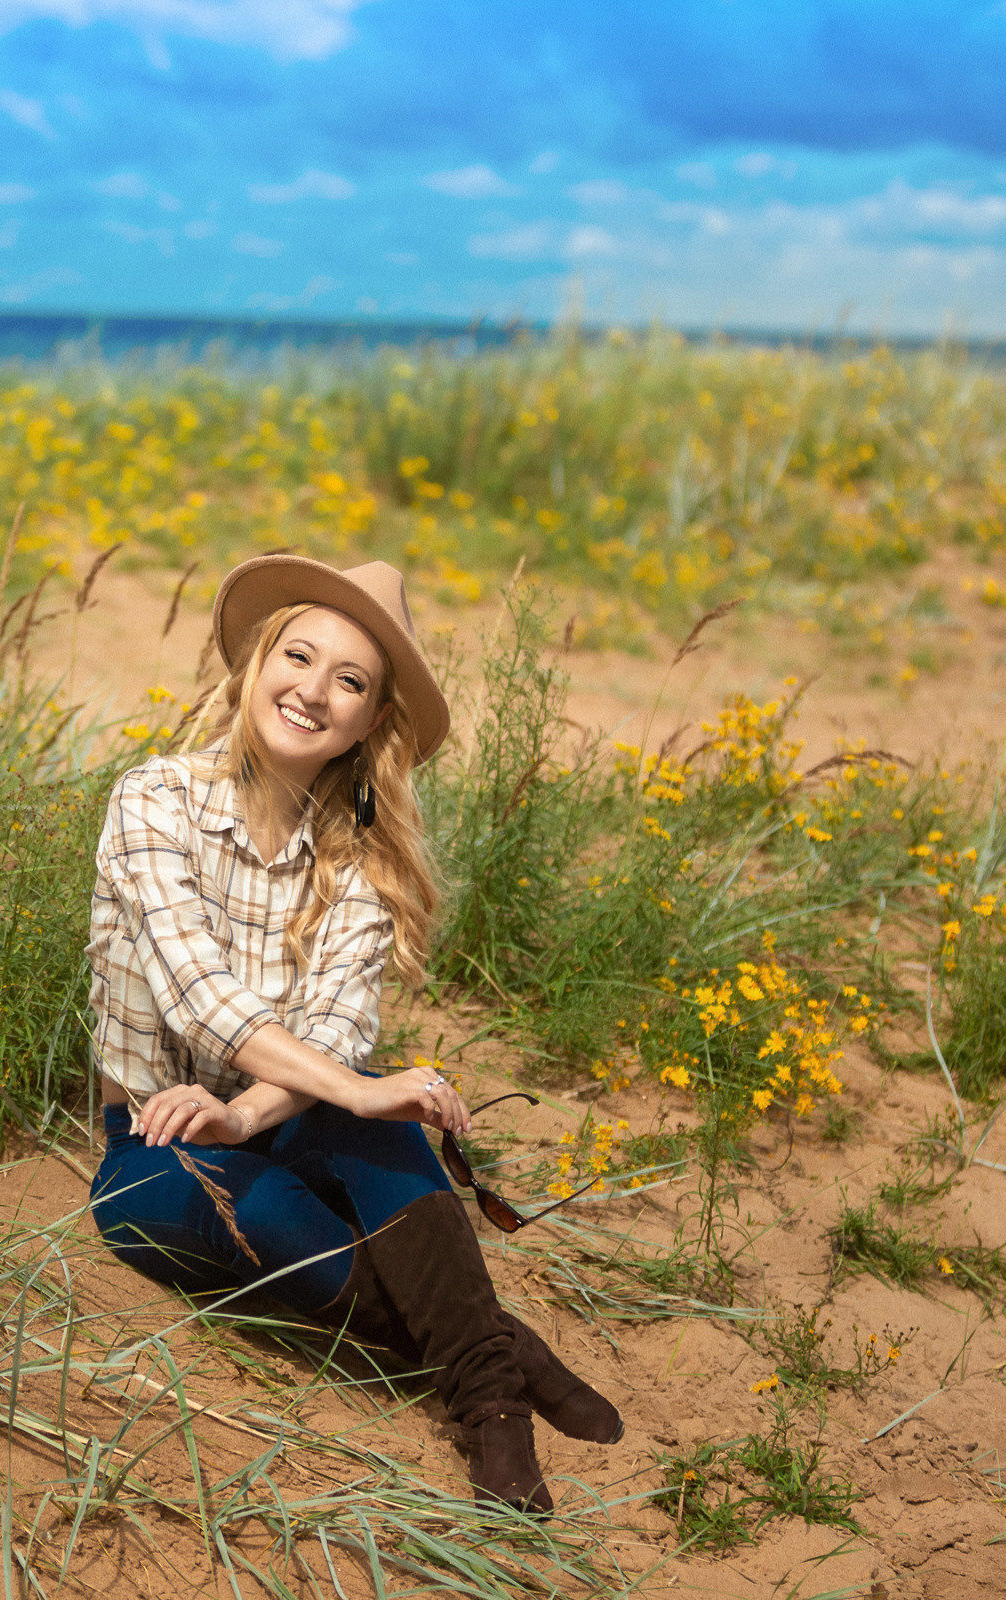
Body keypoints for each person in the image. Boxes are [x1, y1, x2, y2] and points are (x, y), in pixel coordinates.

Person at [85, 553, 621, 1514]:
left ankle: (490, 1409)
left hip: (278, 1119)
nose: (312, 691)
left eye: (350, 681)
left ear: (371, 719)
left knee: (370, 1124)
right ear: (257, 662)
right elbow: (198, 994)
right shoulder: (151, 799)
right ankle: (493, 1342)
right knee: (321, 1144)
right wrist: (341, 1093)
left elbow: (331, 1030)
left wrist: (246, 1114)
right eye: (299, 655)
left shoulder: (361, 861)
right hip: (154, 1145)